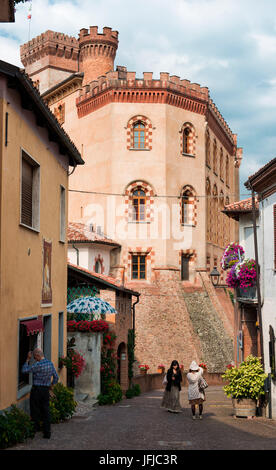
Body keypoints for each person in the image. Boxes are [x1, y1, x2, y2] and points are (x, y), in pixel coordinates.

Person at [22, 348, 59, 438]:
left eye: (35, 357)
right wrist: (51, 385)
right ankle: (47, 432)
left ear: (38, 355)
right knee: (46, 411)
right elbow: (56, 377)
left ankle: (34, 430)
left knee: (35, 410)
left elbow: (24, 370)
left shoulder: (37, 365)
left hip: (36, 390)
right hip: (45, 390)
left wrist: (27, 359)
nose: (35, 359)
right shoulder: (50, 364)